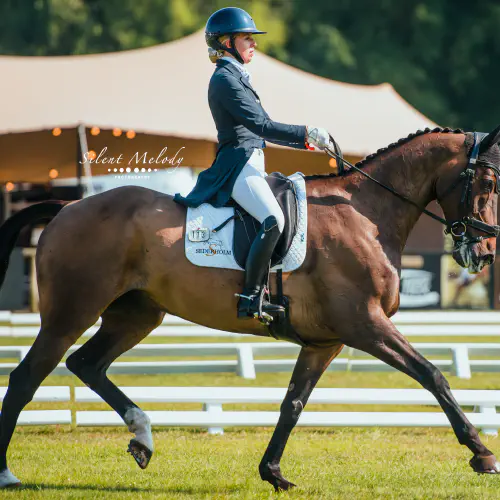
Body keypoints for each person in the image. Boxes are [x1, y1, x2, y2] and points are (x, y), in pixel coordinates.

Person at [174, 7, 333, 320]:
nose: (254, 43)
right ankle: (250, 296)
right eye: (247, 37)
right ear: (226, 41)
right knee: (273, 219)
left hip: (251, 162)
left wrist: (306, 140)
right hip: (238, 166)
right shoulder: (224, 80)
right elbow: (262, 126)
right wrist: (306, 134)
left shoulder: (235, 77)